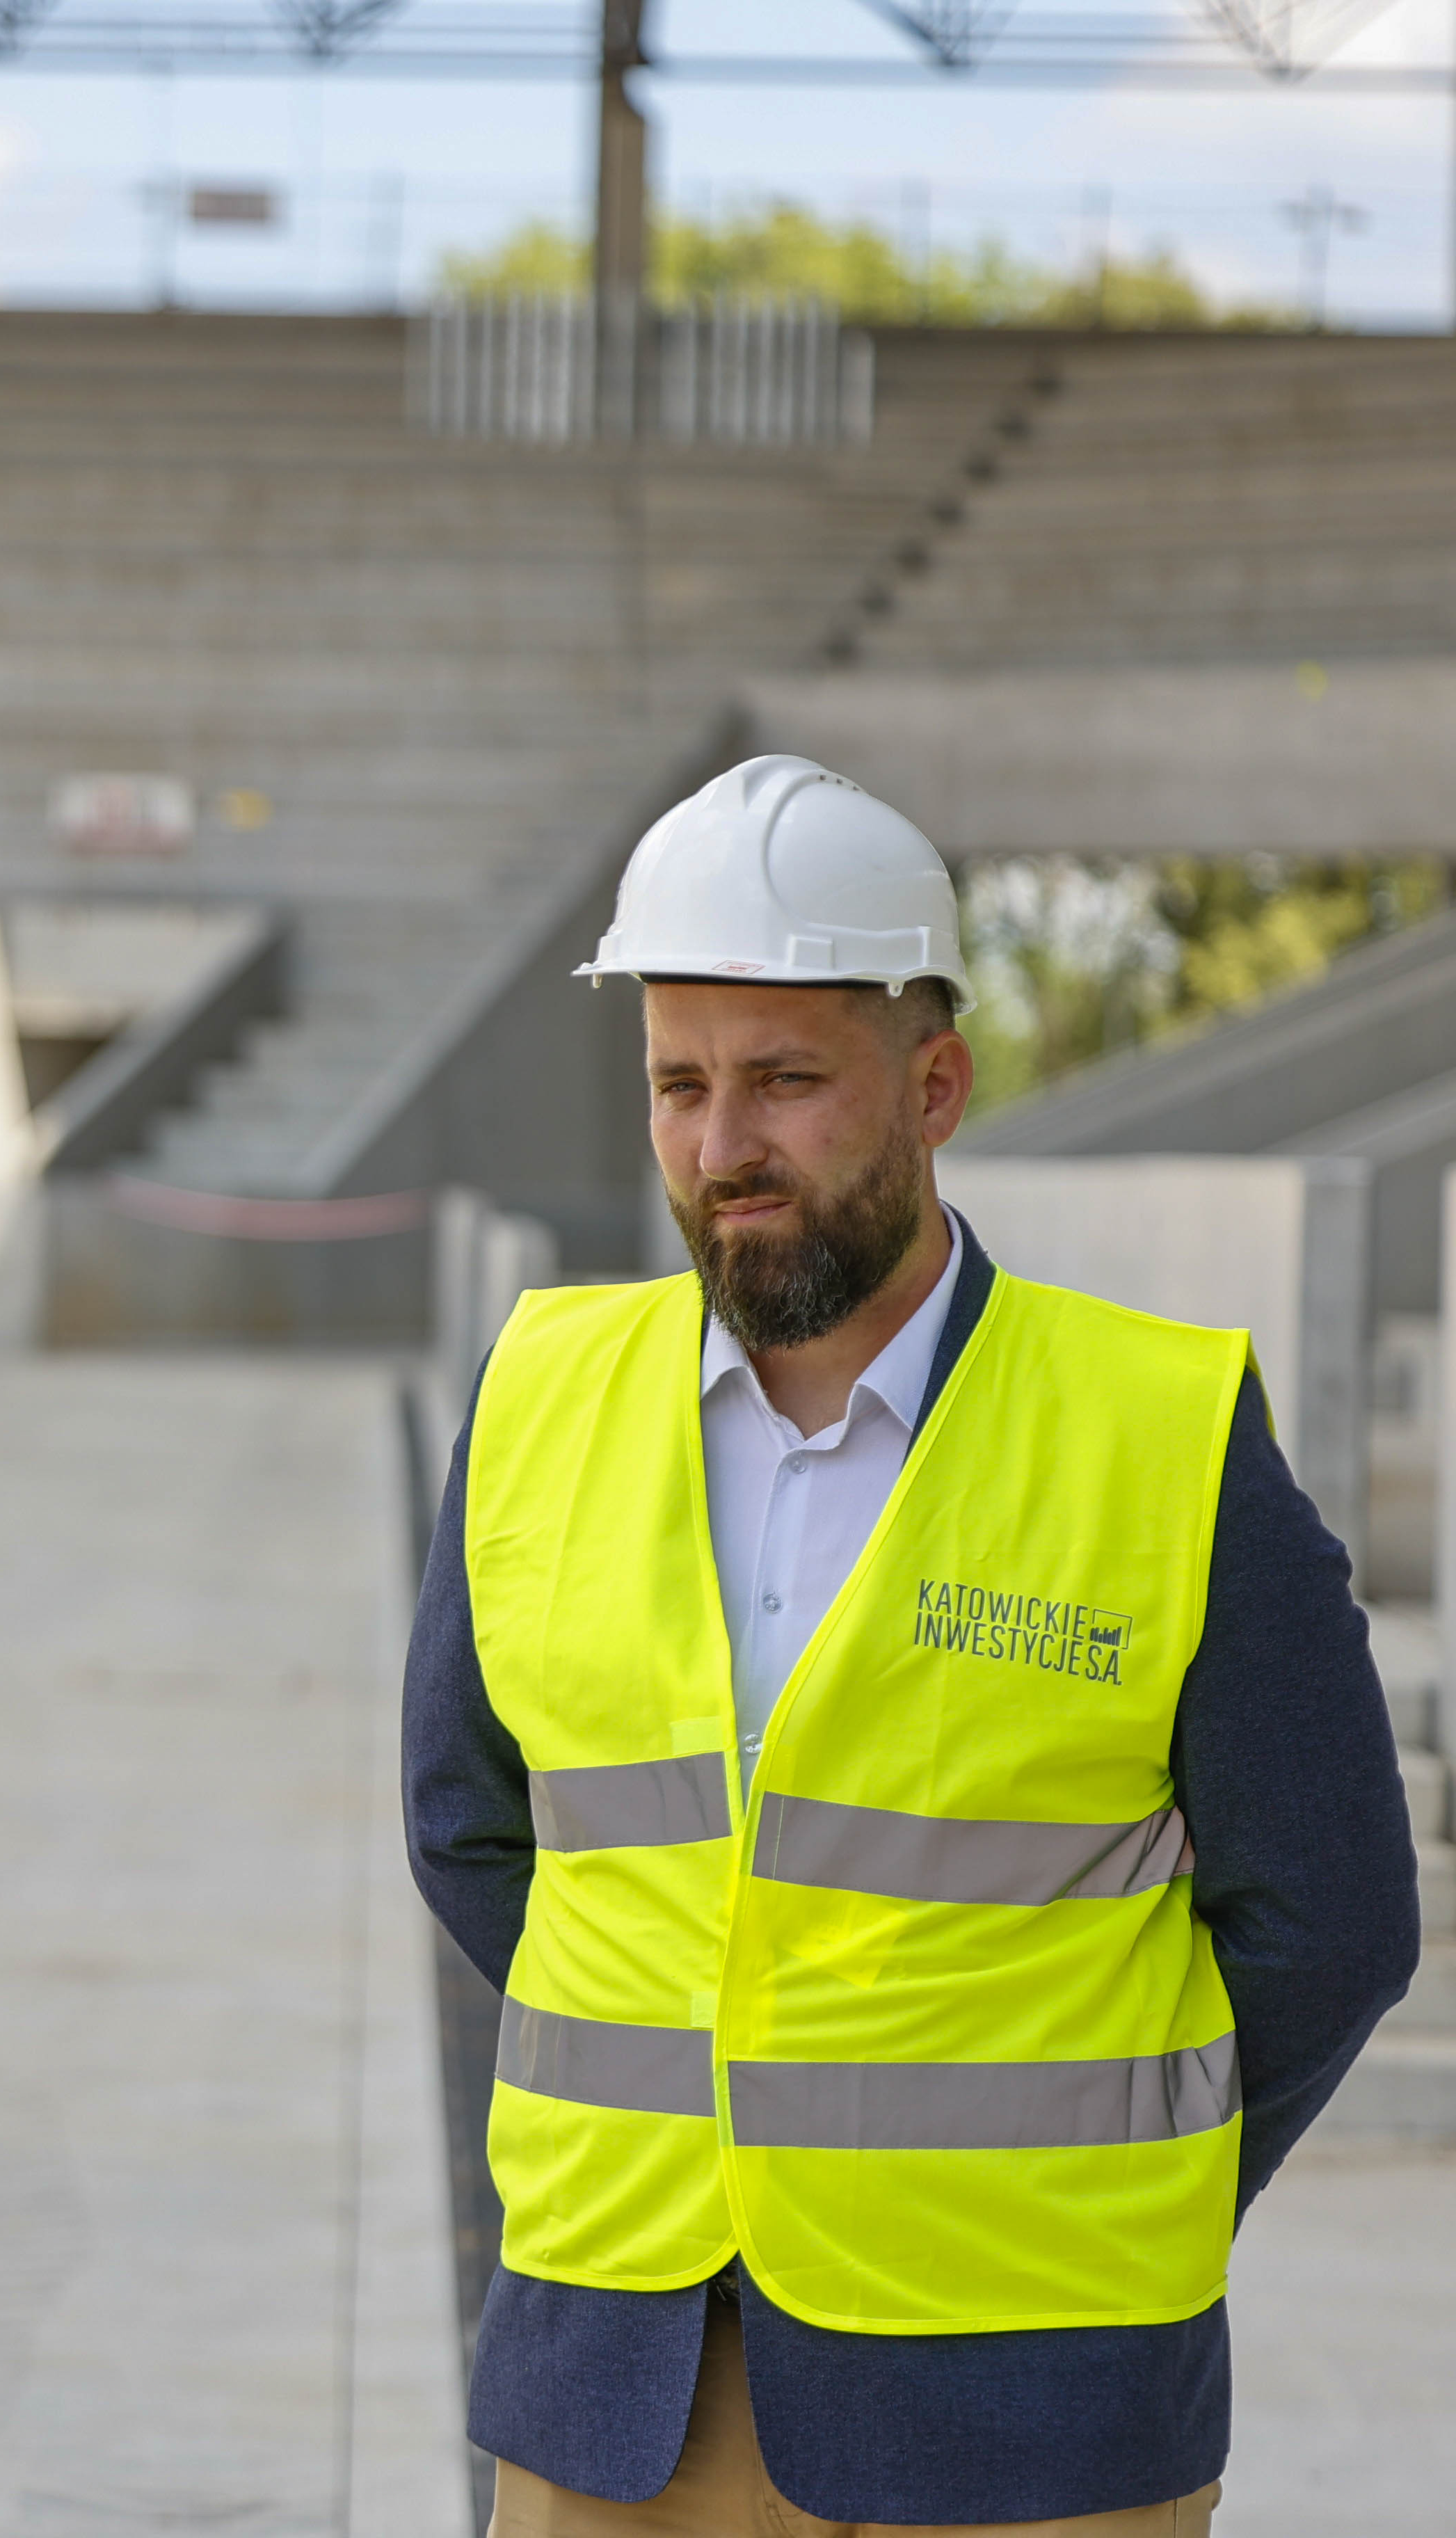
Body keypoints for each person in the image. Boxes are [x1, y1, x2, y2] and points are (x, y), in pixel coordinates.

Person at [404, 755, 1425, 2534]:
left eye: (786, 1082)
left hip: (1039, 2407)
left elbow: (1333, 1920)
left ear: (936, 1086)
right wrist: (706, 2088)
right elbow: (471, 1829)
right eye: (679, 1085)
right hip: (624, 2386)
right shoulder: (538, 1399)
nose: (723, 1149)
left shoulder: (1161, 1432)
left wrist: (1101, 2180)